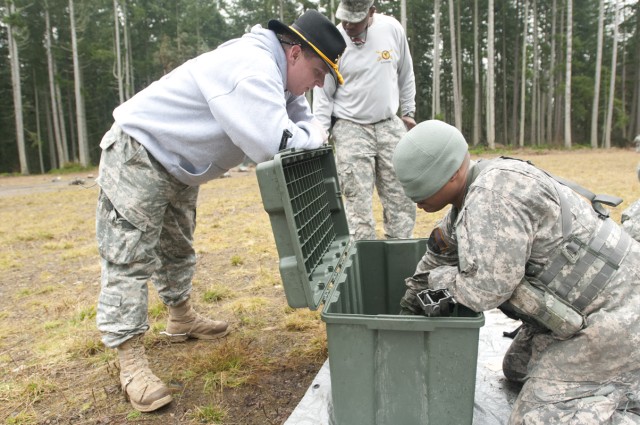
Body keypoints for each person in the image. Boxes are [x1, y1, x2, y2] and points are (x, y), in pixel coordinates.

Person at [95, 10, 346, 413]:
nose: (318, 85)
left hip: (177, 164)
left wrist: (312, 128)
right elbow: (276, 143)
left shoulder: (279, 75)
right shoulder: (251, 68)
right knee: (129, 256)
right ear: (295, 53)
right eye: (318, 73)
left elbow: (299, 118)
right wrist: (316, 132)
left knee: (176, 246)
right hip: (139, 153)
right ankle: (129, 359)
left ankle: (180, 317)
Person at [392, 120, 640, 423]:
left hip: (618, 321)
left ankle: (626, 393)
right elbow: (437, 254)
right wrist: (408, 309)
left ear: (453, 172)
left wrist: (438, 282)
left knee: (532, 419)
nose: (417, 202)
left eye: (422, 189)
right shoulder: (471, 193)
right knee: (517, 367)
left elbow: (483, 292)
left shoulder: (493, 196)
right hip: (587, 312)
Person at [312, 0, 417, 241]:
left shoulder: (391, 29)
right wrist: (320, 132)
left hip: (389, 124)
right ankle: (364, 263)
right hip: (351, 127)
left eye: (355, 19)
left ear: (372, 11)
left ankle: (399, 258)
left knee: (401, 198)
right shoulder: (333, 41)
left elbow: (405, 72)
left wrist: (408, 112)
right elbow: (323, 94)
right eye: (344, 17)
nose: (347, 23)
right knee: (356, 203)